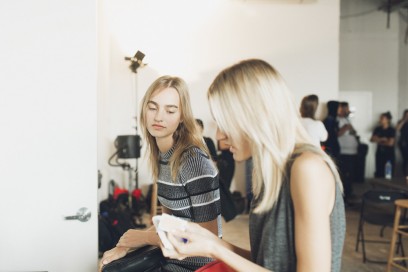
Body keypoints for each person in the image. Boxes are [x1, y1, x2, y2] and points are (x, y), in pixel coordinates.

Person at [161, 59, 346, 272]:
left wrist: (214, 249)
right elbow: (266, 262)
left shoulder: (307, 168)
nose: (220, 135)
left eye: (224, 122)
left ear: (252, 116)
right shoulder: (269, 173)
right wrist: (209, 242)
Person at [99, 76, 221, 272]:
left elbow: (209, 240)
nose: (158, 117)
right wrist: (125, 245)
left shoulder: (193, 161)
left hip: (195, 266)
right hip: (168, 257)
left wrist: (143, 237)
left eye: (170, 110)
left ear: (182, 116)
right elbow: (166, 223)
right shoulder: (163, 157)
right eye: (153, 107)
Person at [337, 101, 359, 204]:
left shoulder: (347, 119)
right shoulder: (337, 120)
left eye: (347, 108)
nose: (347, 110)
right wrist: (346, 127)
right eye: (345, 108)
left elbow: (353, 132)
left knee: (351, 174)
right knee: (345, 174)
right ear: (340, 109)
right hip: (344, 152)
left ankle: (349, 193)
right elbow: (336, 134)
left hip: (352, 151)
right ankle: (345, 197)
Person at [370, 111, 396, 178]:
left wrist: (378, 139)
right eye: (380, 118)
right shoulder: (377, 129)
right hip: (379, 153)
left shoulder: (391, 130)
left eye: (382, 118)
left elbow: (390, 143)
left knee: (388, 171)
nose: (380, 120)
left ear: (387, 120)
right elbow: (372, 139)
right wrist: (383, 139)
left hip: (389, 154)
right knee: (379, 170)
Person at [397, 109, 408, 176]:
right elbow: (397, 129)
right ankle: (405, 175)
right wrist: (404, 121)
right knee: (406, 159)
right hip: (404, 143)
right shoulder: (401, 122)